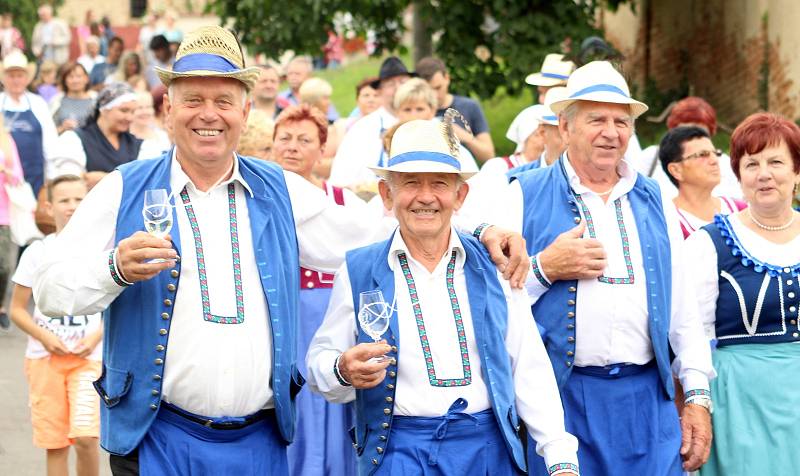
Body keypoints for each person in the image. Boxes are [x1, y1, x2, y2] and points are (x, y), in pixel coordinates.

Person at [32, 25, 528, 476]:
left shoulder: (279, 189)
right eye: (193, 99)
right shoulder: (125, 189)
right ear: (167, 109)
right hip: (155, 438)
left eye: (224, 100)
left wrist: (477, 228)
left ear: (246, 111)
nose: (209, 114)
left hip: (259, 443)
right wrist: (113, 268)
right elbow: (51, 292)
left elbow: (375, 230)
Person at [307, 118, 579, 476]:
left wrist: (559, 456)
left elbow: (527, 363)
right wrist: (341, 368)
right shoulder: (358, 270)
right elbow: (318, 361)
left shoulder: (494, 265)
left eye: (439, 183)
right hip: (397, 455)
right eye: (410, 183)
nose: (425, 197)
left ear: (459, 196)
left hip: (486, 453)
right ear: (387, 195)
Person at [489, 61, 715, 475]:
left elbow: (684, 310)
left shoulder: (655, 201)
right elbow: (492, 303)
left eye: (621, 121)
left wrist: (698, 398)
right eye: (596, 120)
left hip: (648, 402)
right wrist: (544, 269)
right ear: (565, 126)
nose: (611, 132)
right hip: (560, 404)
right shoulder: (521, 195)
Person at [683, 112, 800, 476]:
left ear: (796, 171)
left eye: (776, 162)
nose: (764, 173)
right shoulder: (709, 243)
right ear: (738, 175)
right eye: (751, 164)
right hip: (741, 399)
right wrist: (697, 400)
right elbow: (692, 333)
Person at [272, 104, 363, 476]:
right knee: (291, 400)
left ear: (322, 149)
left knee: (333, 397)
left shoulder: (343, 202)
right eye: (285, 138)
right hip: (282, 316)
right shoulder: (259, 197)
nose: (292, 147)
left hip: (332, 311)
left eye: (304, 140)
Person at [9, 175, 103, 476]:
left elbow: (116, 307)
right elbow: (17, 310)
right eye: (64, 200)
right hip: (45, 361)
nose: (72, 207)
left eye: (79, 199)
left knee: (87, 438)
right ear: (49, 207)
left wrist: (96, 336)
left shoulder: (101, 251)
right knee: (56, 444)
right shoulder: (38, 253)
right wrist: (44, 336)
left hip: (88, 359)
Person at [329, 56, 413, 188]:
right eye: (391, 84)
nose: (398, 88)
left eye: (402, 82)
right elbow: (340, 180)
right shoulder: (363, 128)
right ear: (380, 91)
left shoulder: (428, 123)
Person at [637, 96, 741, 199]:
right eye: (685, 133)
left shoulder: (725, 165)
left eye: (700, 134)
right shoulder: (651, 157)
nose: (693, 140)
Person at [50, 82, 142, 189]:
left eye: (133, 112)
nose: (130, 117)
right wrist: (130, 180)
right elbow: (71, 185)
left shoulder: (136, 143)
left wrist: (104, 178)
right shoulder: (74, 139)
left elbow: (144, 182)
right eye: (124, 110)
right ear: (104, 109)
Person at [658, 127, 746, 238]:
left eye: (716, 153)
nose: (715, 160)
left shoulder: (740, 209)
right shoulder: (665, 222)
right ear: (676, 170)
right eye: (703, 154)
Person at [0, 50, 58, 196]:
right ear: (4, 78)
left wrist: (51, 177)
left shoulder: (38, 103)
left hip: (35, 176)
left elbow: (50, 142)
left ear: (27, 78)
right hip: (4, 178)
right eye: (11, 76)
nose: (16, 80)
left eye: (19, 76)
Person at [415, 57, 495, 163]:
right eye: (428, 90)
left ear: (447, 78)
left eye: (438, 88)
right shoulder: (413, 111)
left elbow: (489, 155)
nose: (434, 95)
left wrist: (465, 137)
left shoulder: (469, 106)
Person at [0, 113, 24, 331]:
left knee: (4, 265)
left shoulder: (6, 140)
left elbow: (18, 176)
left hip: (3, 211)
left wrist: (6, 171)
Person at [278, 56, 340, 122]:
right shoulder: (280, 98)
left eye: (297, 74)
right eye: (290, 74)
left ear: (308, 76)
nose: (293, 77)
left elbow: (333, 119)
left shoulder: (320, 96)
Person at [51, 62, 96, 134]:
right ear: (64, 80)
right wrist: (62, 128)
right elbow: (47, 132)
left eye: (79, 76)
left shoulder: (96, 101)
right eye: (70, 77)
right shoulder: (56, 101)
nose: (75, 80)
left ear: (86, 79)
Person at [130, 91, 171, 161]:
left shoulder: (163, 136)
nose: (145, 112)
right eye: (140, 108)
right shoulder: (124, 138)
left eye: (148, 107)